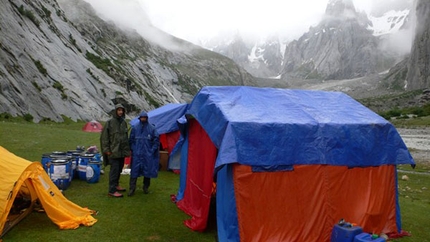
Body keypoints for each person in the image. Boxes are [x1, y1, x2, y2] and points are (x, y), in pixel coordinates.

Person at [100, 104, 131, 198]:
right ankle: (112, 190)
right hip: (113, 151)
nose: (120, 112)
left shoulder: (123, 122)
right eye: (119, 110)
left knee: (120, 169)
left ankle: (116, 185)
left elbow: (125, 137)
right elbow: (104, 138)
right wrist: (107, 150)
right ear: (115, 111)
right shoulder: (110, 122)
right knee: (114, 170)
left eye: (122, 110)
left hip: (122, 151)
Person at [128, 111, 160, 196]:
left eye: (144, 118)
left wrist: (151, 151)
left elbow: (156, 141)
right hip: (137, 154)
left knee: (147, 171)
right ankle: (132, 189)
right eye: (142, 117)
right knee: (134, 172)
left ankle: (146, 187)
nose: (143, 119)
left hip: (147, 154)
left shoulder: (152, 129)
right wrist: (134, 150)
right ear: (139, 118)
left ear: (146, 118)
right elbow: (131, 140)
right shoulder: (135, 128)